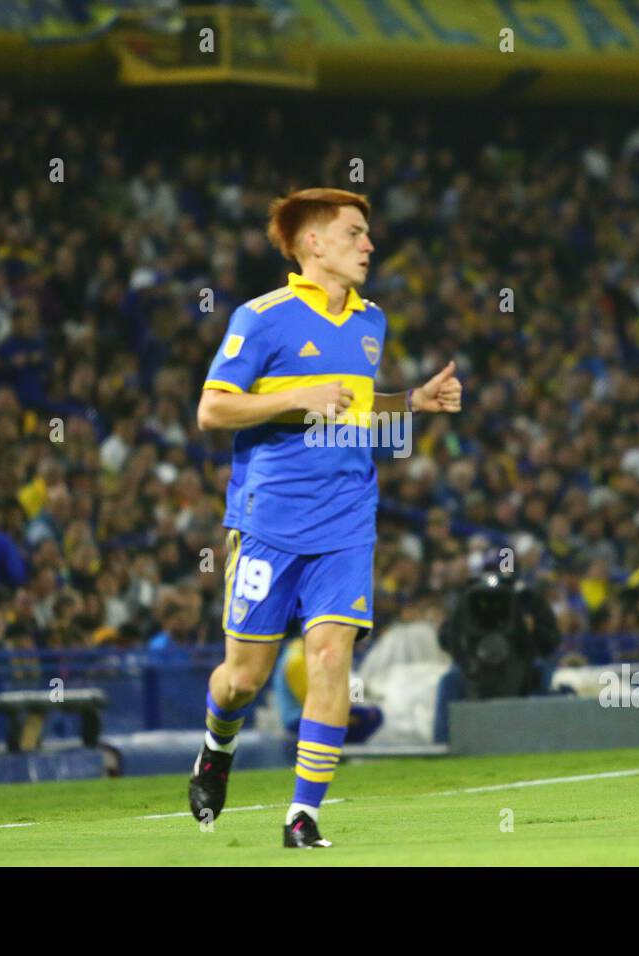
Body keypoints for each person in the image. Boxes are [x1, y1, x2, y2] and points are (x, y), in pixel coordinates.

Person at [188, 187, 462, 848]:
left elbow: (355, 413)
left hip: (346, 523)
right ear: (313, 242)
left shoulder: (372, 323)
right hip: (267, 523)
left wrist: (413, 404)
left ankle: (303, 815)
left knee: (331, 655)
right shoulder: (262, 318)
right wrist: (295, 399)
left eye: (367, 234)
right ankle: (215, 749)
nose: (369, 245)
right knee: (242, 680)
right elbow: (211, 413)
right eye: (354, 233)